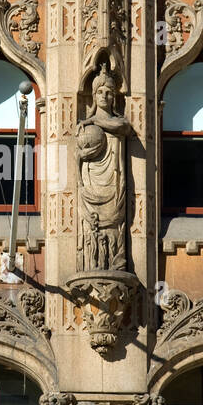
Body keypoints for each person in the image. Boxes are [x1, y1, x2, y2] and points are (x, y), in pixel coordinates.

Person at [75, 66, 132, 272]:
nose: (104, 96)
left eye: (109, 92)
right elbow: (75, 157)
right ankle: (92, 263)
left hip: (114, 181)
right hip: (91, 181)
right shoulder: (84, 127)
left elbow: (123, 128)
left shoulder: (117, 121)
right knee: (92, 226)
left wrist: (95, 120)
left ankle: (115, 262)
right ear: (93, 94)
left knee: (114, 222)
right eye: (100, 92)